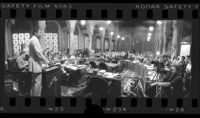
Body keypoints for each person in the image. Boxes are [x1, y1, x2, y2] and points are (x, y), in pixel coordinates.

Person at [28, 30, 52, 96]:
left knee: (33, 83)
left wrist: (42, 51)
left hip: (32, 64)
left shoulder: (31, 39)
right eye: (40, 32)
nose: (41, 34)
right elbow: (39, 54)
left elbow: (35, 52)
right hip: (35, 64)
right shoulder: (35, 40)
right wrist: (48, 62)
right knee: (38, 84)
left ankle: (32, 96)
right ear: (35, 33)